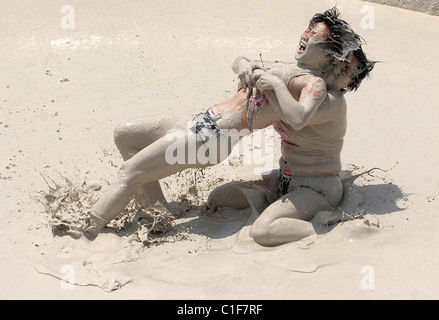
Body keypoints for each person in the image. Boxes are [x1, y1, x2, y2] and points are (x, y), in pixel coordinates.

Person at [85, 8, 375, 244]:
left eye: (316, 37)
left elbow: (300, 116)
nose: (306, 36)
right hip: (201, 122)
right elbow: (243, 60)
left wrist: (273, 82)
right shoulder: (294, 71)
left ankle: (85, 230)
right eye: (308, 30)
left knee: (131, 171)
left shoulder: (317, 90)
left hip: (211, 139)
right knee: (125, 135)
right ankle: (155, 212)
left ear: (331, 54)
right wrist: (244, 65)